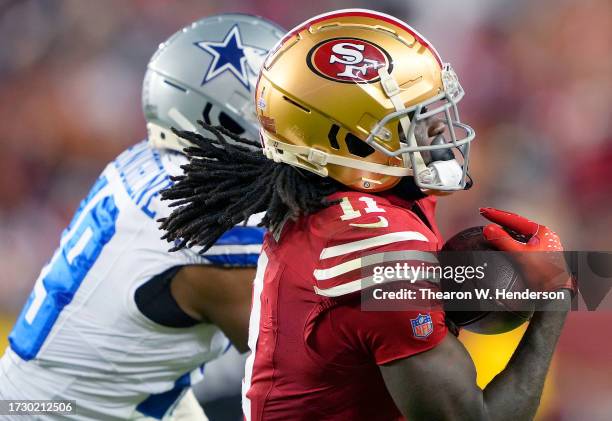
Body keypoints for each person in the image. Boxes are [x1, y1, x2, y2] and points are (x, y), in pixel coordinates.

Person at [160, 9, 576, 421]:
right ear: (350, 142)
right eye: (415, 120)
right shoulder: (375, 252)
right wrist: (554, 296)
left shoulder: (340, 188)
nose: (439, 130)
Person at [0, 14, 283, 421]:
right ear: (225, 120)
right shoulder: (210, 231)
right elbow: (301, 366)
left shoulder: (148, 162)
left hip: (51, 397)